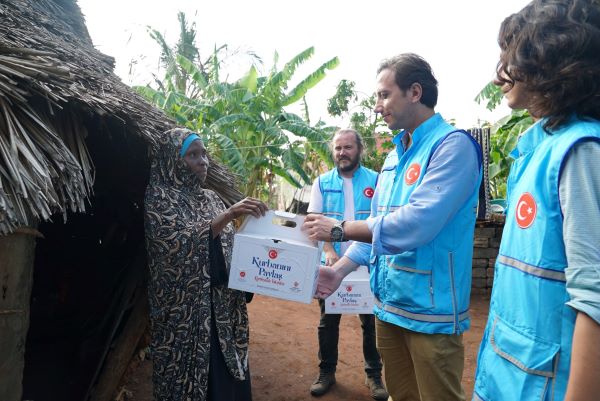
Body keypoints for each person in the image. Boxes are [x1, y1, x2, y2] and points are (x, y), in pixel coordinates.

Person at [303, 53, 483, 401]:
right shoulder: (393, 156)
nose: (377, 106)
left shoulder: (452, 146)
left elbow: (415, 224)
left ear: (415, 92)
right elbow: (378, 229)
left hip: (431, 313)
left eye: (384, 95)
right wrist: (338, 271)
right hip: (387, 307)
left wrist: (338, 229)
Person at [472, 1, 600, 400]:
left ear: (547, 58)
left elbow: (595, 298)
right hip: (506, 373)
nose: (499, 75)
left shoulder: (580, 152)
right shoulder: (537, 148)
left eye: (510, 57)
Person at [144, 128, 268, 401]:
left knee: (229, 382)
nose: (203, 161)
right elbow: (175, 248)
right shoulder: (159, 199)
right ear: (172, 160)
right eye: (192, 155)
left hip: (222, 309)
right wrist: (230, 213)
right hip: (187, 317)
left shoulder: (210, 198)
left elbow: (229, 244)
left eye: (204, 154)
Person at [307, 128, 387, 399]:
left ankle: (374, 375)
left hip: (368, 264)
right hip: (332, 264)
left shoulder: (376, 181)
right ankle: (326, 372)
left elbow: (381, 221)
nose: (342, 153)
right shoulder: (322, 182)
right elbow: (315, 222)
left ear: (359, 150)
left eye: (348, 147)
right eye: (338, 148)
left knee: (370, 321)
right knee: (328, 322)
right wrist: (329, 251)